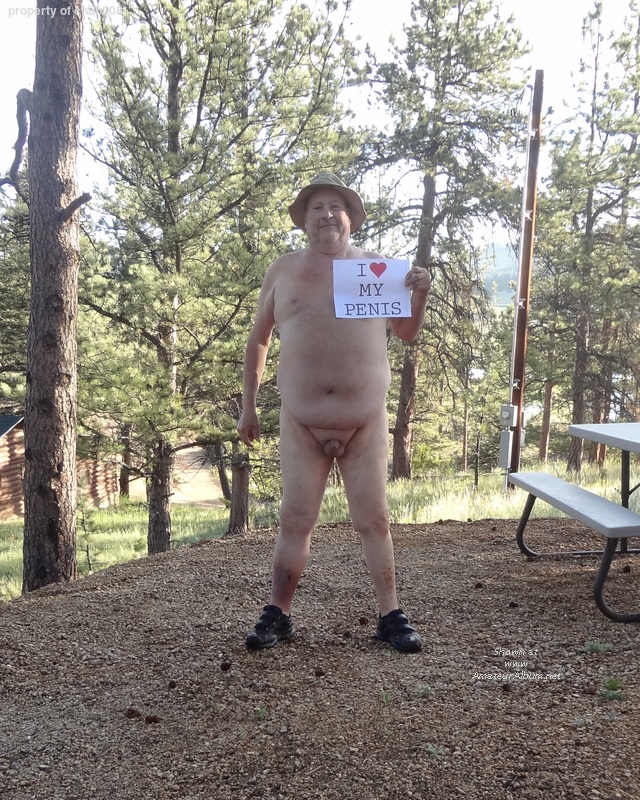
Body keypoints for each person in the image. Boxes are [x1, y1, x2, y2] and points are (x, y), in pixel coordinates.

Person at [237, 171, 431, 653]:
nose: (327, 215)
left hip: (364, 420)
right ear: (304, 220)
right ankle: (278, 612)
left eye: (336, 207)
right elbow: (259, 339)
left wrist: (420, 293)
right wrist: (248, 406)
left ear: (351, 218)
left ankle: (391, 613)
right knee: (294, 520)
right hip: (301, 421)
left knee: (375, 519)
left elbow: (406, 333)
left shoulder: (377, 270)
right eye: (317, 207)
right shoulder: (283, 271)